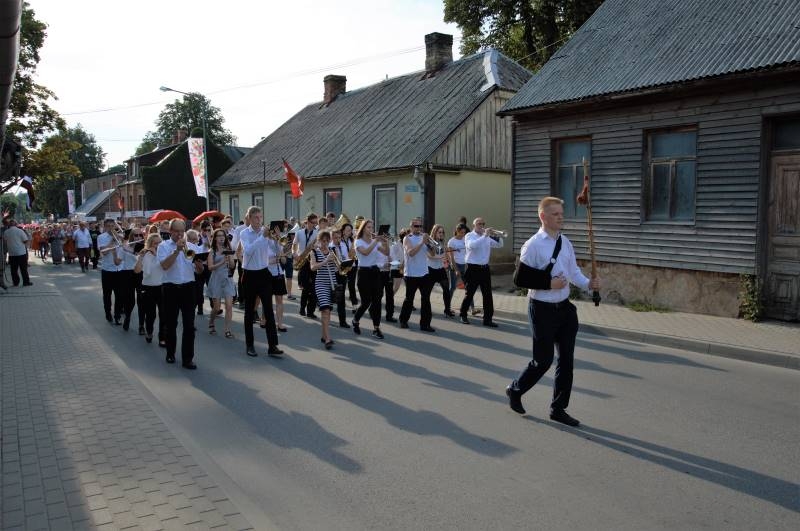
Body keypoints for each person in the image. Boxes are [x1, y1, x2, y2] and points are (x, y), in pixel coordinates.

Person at [506, 197, 602, 427]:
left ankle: (558, 408)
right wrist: (549, 283)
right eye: (556, 213)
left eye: (561, 213)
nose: (561, 217)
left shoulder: (565, 242)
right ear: (543, 217)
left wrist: (589, 284)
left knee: (566, 362)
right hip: (542, 309)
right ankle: (516, 389)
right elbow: (520, 278)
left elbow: (573, 273)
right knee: (543, 360)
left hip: (565, 310)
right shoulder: (533, 245)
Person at [239, 206, 284, 358]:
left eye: (260, 217)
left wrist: (277, 239)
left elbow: (277, 252)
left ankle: (273, 346)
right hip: (250, 274)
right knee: (249, 312)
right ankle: (249, 345)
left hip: (264, 273)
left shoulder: (266, 233)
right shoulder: (244, 233)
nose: (259, 220)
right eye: (256, 217)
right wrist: (262, 237)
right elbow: (248, 250)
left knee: (268, 311)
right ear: (250, 219)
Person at [157, 218, 201, 369]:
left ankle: (187, 358)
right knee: (171, 324)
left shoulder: (191, 247)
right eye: (176, 231)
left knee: (189, 325)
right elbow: (164, 266)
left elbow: (199, 271)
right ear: (170, 232)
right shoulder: (163, 246)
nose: (180, 234)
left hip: (188, 288)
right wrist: (177, 251)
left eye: (182, 231)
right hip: (170, 288)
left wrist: (199, 264)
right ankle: (170, 353)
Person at [459, 217, 503, 327]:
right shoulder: (469, 236)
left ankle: (487, 319)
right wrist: (485, 236)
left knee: (487, 295)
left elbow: (499, 245)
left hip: (485, 269)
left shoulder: (487, 237)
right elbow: (472, 246)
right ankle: (463, 314)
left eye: (483, 223)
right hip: (473, 268)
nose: (482, 225)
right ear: (474, 226)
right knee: (469, 293)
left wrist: (497, 235)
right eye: (479, 224)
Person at [352, 218, 389, 338]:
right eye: (368, 227)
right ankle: (355, 320)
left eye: (372, 227)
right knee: (366, 302)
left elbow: (386, 253)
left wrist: (385, 242)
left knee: (377, 301)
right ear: (363, 228)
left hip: (375, 271)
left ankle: (376, 328)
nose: (371, 229)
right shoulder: (358, 242)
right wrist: (376, 241)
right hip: (363, 272)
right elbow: (366, 252)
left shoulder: (375, 241)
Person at [399, 217, 435, 332]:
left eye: (420, 226)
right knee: (409, 299)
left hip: (424, 273)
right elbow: (411, 253)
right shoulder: (407, 238)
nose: (419, 228)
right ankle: (403, 320)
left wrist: (430, 244)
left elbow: (433, 253)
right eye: (416, 226)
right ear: (411, 227)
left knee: (426, 299)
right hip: (411, 274)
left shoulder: (424, 238)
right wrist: (422, 242)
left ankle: (425, 324)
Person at [134, 233, 164, 344]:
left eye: (159, 243)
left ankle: (162, 337)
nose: (157, 245)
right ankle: (149, 331)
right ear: (150, 244)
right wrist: (141, 257)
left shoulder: (163, 255)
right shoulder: (145, 254)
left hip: (162, 286)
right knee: (151, 314)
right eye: (155, 243)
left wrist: (157, 254)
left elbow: (165, 266)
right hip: (148, 287)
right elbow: (137, 271)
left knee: (163, 314)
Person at [206, 228, 237, 338]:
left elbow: (233, 266)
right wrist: (222, 262)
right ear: (215, 238)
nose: (221, 237)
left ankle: (227, 330)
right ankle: (211, 322)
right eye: (218, 236)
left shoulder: (228, 249)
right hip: (216, 279)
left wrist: (230, 260)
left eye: (222, 236)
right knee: (217, 307)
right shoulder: (212, 252)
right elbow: (210, 267)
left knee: (229, 305)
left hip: (228, 279)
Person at [310, 230, 338, 349]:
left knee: (328, 311)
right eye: (323, 240)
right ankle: (328, 339)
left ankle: (323, 335)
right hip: (320, 284)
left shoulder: (333, 251)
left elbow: (338, 269)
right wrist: (326, 260)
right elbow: (313, 267)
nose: (325, 243)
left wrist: (337, 263)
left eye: (327, 240)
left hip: (332, 284)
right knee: (325, 309)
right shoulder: (314, 252)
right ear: (319, 240)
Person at [97, 219, 123, 324]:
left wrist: (118, 238)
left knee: (119, 295)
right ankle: (108, 313)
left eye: (113, 226)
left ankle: (117, 316)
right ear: (105, 227)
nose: (111, 228)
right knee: (107, 294)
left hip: (119, 269)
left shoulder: (120, 237)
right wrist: (112, 241)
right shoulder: (101, 237)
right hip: (107, 269)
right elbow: (104, 253)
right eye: (108, 226)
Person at [293, 213, 319, 318]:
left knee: (313, 289)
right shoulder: (299, 233)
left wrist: (316, 247)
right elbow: (294, 245)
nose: (315, 225)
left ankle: (310, 311)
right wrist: (295, 254)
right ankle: (302, 308)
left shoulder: (317, 233)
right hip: (302, 261)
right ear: (307, 222)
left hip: (313, 261)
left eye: (316, 223)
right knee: (305, 288)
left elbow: (320, 247)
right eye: (313, 223)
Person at [447, 223, 475, 314]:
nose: (463, 234)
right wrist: (456, 269)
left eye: (464, 232)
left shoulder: (465, 239)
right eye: (461, 232)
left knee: (468, 288)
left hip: (465, 265)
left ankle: (472, 309)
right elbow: (451, 257)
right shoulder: (451, 241)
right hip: (455, 265)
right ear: (457, 231)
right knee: (453, 287)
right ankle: (447, 307)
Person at [427, 224, 454, 318]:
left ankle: (447, 310)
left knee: (446, 289)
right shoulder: (430, 242)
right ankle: (427, 310)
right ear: (435, 232)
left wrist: (448, 261)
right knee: (427, 292)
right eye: (439, 232)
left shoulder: (442, 242)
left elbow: (444, 254)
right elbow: (429, 256)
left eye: (442, 232)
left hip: (440, 269)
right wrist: (440, 256)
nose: (441, 234)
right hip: (430, 269)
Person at [330, 228, 350, 328]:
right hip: (333, 274)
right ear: (331, 238)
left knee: (341, 299)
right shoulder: (330, 247)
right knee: (333, 298)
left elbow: (346, 257)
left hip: (342, 274)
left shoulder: (343, 245)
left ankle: (343, 321)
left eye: (339, 237)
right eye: (335, 238)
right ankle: (327, 318)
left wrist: (347, 263)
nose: (338, 240)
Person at [2, 219, 32, 287]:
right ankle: (26, 282)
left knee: (13, 269)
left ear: (9, 225)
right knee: (23, 268)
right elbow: (25, 240)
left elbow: (5, 240)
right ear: (16, 224)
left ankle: (15, 282)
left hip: (12, 253)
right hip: (21, 252)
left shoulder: (6, 232)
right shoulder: (20, 231)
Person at [341, 222, 358, 306]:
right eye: (348, 230)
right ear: (343, 231)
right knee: (343, 286)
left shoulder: (352, 240)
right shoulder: (339, 241)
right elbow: (347, 254)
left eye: (351, 230)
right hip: (343, 265)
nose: (350, 232)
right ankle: (342, 304)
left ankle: (354, 305)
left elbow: (354, 253)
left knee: (351, 286)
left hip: (352, 265)